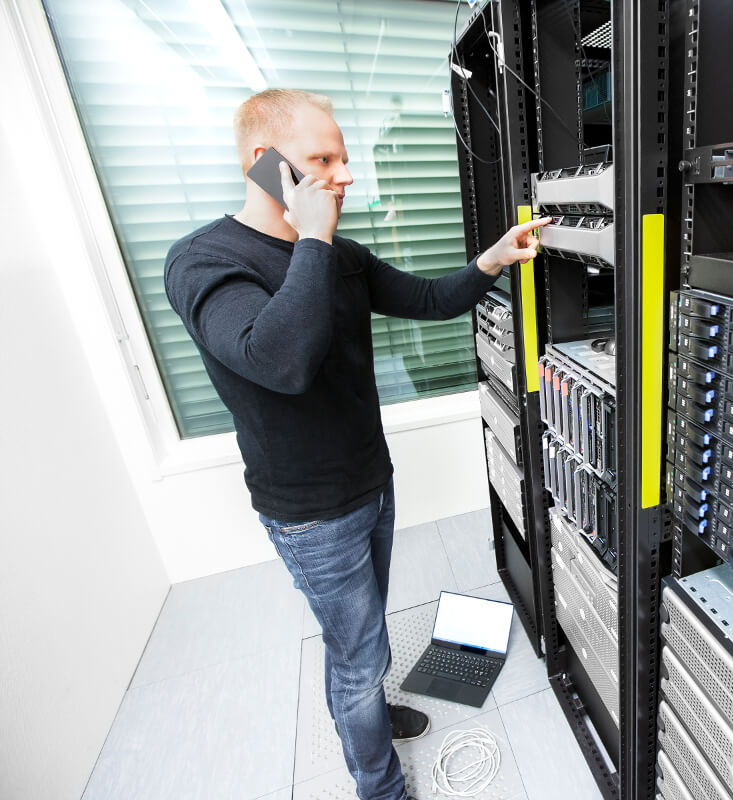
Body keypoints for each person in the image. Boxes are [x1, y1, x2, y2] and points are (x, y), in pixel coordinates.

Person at [164, 88, 549, 800]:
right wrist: (310, 237)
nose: (344, 175)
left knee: (358, 640)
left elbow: (429, 300)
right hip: (310, 512)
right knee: (357, 653)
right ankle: (380, 785)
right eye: (323, 159)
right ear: (264, 163)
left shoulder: (340, 256)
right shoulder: (205, 263)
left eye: (343, 157)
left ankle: (364, 711)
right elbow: (281, 361)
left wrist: (492, 260)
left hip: (371, 482)